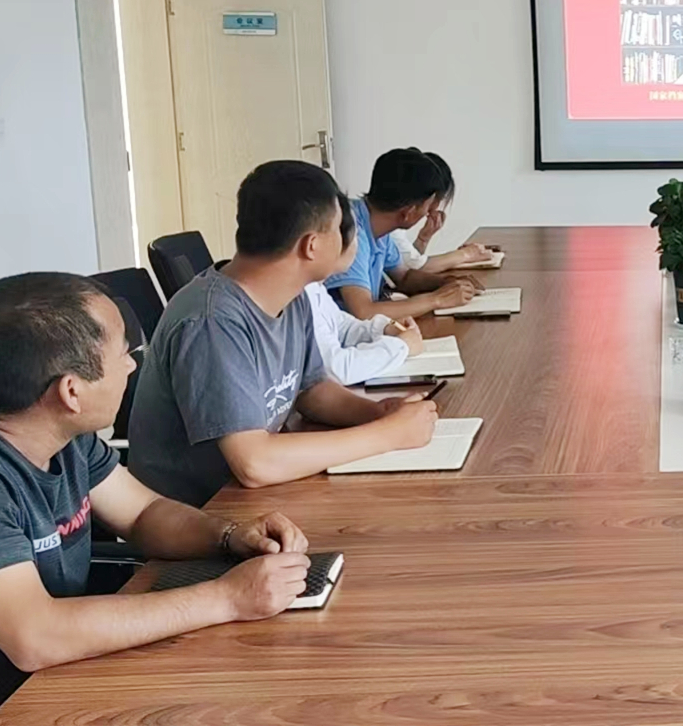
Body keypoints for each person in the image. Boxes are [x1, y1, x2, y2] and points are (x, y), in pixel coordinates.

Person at [0, 273, 313, 725]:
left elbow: (142, 514)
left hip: (59, 673)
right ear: (71, 391)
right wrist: (227, 599)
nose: (131, 366)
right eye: (123, 353)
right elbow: (35, 636)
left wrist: (229, 536)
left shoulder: (55, 431)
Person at [128, 160, 438, 507]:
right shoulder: (211, 321)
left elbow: (312, 391)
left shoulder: (292, 297)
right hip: (200, 514)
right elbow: (254, 463)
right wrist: (387, 435)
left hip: (257, 500)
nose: (349, 237)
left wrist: (379, 413)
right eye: (339, 228)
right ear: (312, 246)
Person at [326, 147, 481, 322]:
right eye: (427, 207)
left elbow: (404, 277)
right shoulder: (352, 231)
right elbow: (364, 312)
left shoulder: (376, 223)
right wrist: (437, 299)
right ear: (408, 212)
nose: (429, 213)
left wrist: (446, 282)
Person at [308, 196, 426, 385]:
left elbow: (342, 327)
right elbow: (335, 370)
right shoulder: (300, 293)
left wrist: (385, 327)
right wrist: (400, 346)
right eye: (356, 235)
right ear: (313, 244)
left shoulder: (314, 288)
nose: (359, 243)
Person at [389, 152, 493, 274]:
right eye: (437, 198)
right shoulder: (390, 227)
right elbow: (415, 267)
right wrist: (467, 254)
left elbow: (407, 263)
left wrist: (423, 239)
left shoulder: (394, 226)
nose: (433, 208)